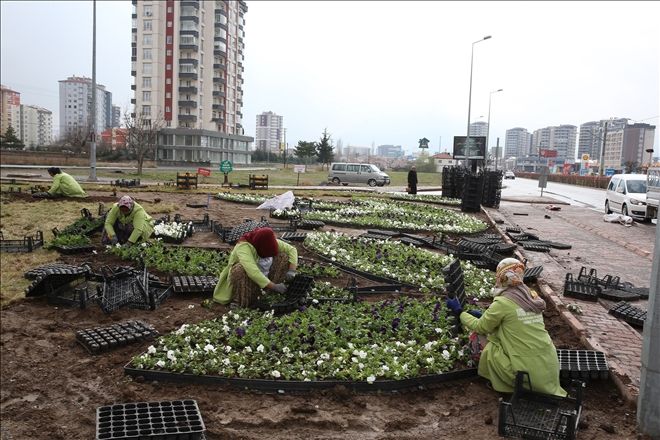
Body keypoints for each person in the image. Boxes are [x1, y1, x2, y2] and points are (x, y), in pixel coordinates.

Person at [446, 257, 566, 397]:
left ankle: (503, 382)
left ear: (501, 277)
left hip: (525, 375)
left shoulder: (503, 302)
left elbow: (480, 327)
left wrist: (460, 312)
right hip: (548, 369)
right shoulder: (531, 297)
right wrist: (484, 315)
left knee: (482, 341)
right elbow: (515, 319)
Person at [213, 227, 298, 308]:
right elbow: (252, 272)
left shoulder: (268, 241)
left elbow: (292, 250)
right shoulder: (243, 247)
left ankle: (268, 292)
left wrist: (292, 270)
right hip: (247, 280)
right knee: (239, 270)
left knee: (284, 256)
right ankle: (239, 300)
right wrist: (274, 286)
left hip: (264, 274)